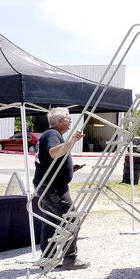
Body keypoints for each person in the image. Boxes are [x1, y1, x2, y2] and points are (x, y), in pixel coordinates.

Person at [33, 108, 88, 270]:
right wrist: (72, 140)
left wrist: (70, 168)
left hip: (47, 186)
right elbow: (52, 153)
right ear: (59, 121)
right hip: (54, 189)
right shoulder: (52, 134)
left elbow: (50, 159)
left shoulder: (50, 135)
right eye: (67, 118)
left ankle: (47, 259)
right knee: (72, 220)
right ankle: (70, 259)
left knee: (51, 222)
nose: (70, 120)